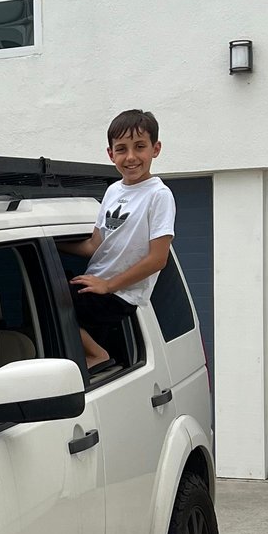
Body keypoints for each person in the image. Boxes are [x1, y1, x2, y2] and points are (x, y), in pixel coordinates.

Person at [64, 108, 176, 371]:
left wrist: (109, 285)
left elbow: (158, 259)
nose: (131, 157)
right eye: (122, 149)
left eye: (140, 147)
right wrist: (55, 243)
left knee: (50, 299)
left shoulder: (159, 195)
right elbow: (95, 245)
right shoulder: (113, 190)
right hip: (98, 283)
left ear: (155, 149)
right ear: (110, 153)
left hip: (120, 294)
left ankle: (97, 354)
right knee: (49, 281)